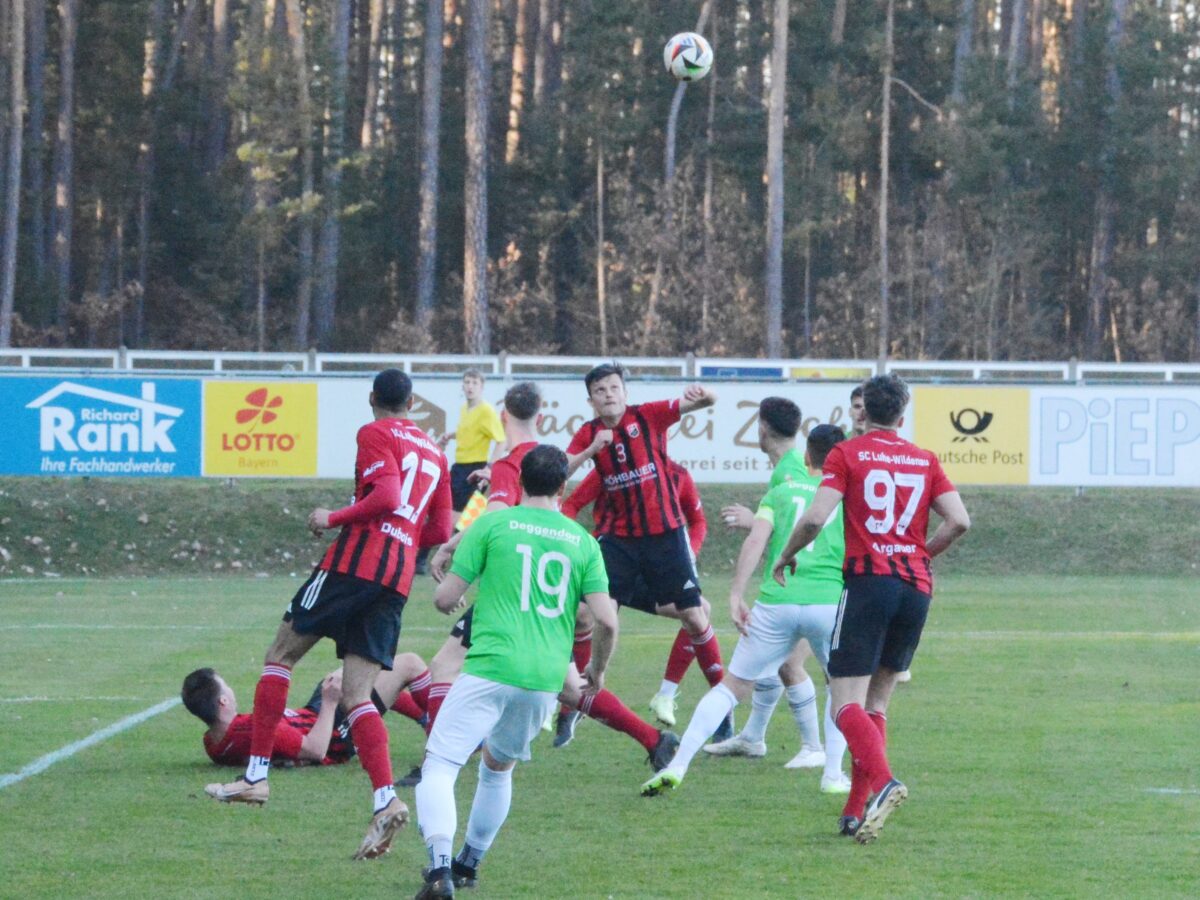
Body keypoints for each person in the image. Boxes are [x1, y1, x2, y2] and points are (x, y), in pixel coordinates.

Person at [204, 368, 454, 863]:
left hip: (354, 564)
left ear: (372, 398)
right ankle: (385, 800)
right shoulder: (435, 452)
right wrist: (405, 541)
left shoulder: (375, 432)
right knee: (358, 695)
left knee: (280, 655)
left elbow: (387, 496)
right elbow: (440, 529)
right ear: (411, 403)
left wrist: (332, 518)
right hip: (396, 578)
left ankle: (255, 777)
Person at [410, 383, 672, 777]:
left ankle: (436, 759)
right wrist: (587, 451)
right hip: (549, 581)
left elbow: (496, 515)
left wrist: (453, 543)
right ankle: (654, 739)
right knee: (569, 686)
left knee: (444, 664)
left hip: (514, 584)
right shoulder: (545, 457)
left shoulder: (509, 464)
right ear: (541, 416)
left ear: (503, 416)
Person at [413, 445, 621, 899]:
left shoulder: (493, 523)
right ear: (563, 486)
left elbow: (444, 599)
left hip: (490, 666)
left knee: (441, 765)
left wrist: (455, 589)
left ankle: (440, 870)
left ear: (520, 481)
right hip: (543, 679)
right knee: (497, 768)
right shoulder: (582, 541)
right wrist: (597, 670)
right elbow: (606, 620)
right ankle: (469, 863)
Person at [770, 373, 970, 843]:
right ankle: (853, 810)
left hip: (868, 585)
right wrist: (921, 554)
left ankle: (883, 782)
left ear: (863, 411)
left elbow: (816, 517)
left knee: (844, 704)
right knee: (876, 704)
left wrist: (786, 554)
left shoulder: (847, 453)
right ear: (902, 414)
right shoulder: (924, 458)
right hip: (915, 589)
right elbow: (959, 520)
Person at [639, 412, 852, 798]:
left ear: (807, 456)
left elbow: (756, 540)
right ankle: (832, 774)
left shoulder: (781, 493)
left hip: (776, 601)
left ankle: (679, 763)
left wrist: (736, 594)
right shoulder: (846, 496)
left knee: (732, 686)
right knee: (840, 686)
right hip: (827, 602)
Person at [565, 363, 727, 712]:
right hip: (619, 541)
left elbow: (709, 401)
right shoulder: (588, 433)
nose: (608, 395)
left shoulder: (648, 415)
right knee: (591, 613)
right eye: (600, 391)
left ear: (625, 392)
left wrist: (704, 394)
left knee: (696, 615)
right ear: (591, 401)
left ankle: (722, 701)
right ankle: (590, 683)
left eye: (614, 388)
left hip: (666, 537)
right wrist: (590, 450)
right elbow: (560, 472)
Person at [562, 459, 714, 730]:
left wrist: (690, 552)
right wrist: (578, 544)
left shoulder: (678, 475)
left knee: (700, 611)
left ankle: (667, 696)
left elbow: (698, 520)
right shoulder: (610, 471)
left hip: (650, 576)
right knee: (583, 614)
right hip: (613, 565)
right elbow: (571, 504)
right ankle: (570, 703)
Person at [182, 654, 433, 767]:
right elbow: (316, 750)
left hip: (312, 715)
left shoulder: (212, 742)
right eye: (226, 686)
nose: (232, 689)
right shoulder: (253, 728)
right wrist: (330, 702)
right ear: (223, 702)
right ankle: (440, 730)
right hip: (333, 732)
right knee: (409, 663)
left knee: (360, 676)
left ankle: (425, 719)